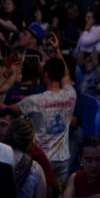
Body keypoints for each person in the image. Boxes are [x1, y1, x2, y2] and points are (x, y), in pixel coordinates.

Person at [17, 52, 76, 187]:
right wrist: (57, 50)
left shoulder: (34, 100)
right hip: (63, 158)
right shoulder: (70, 95)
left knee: (39, 196)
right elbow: (66, 76)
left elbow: (6, 109)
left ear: (46, 75)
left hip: (41, 158)